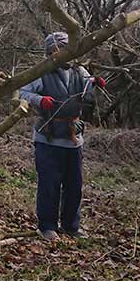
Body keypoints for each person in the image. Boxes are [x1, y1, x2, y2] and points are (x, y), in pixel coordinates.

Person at [19, 31, 104, 240]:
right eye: (54, 51)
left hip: (74, 138)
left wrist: (95, 84)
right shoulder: (41, 72)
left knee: (74, 185)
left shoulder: (80, 70)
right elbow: (23, 92)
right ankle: (47, 226)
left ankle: (71, 226)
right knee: (49, 184)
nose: (60, 55)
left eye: (65, 50)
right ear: (49, 53)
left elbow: (87, 94)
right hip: (48, 138)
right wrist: (40, 101)